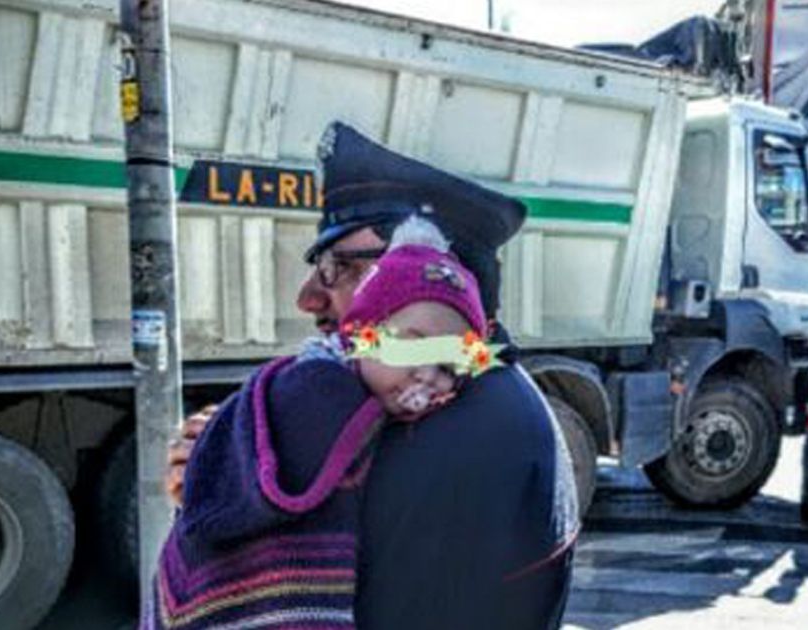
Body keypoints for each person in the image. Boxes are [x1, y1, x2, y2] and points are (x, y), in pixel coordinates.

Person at [167, 122, 576, 629]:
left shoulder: (454, 436)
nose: (309, 299)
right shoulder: (477, 390)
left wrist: (225, 465)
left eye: (341, 267)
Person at [143, 218, 535, 629]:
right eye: (412, 346)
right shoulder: (319, 394)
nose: (427, 374)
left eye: (450, 365)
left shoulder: (462, 418)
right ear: (361, 337)